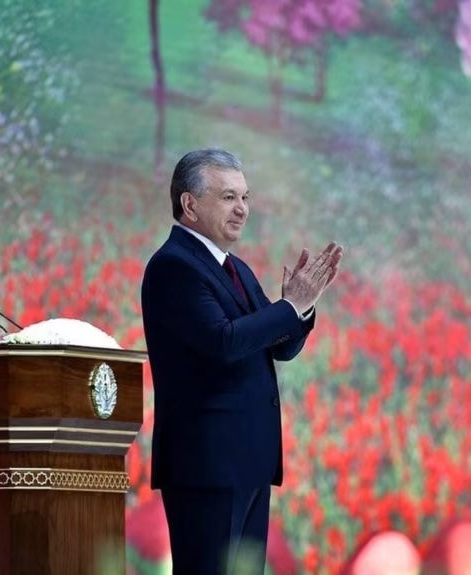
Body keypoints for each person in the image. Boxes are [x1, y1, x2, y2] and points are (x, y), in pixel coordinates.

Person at [141, 148, 343, 575]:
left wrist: (300, 311)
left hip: (247, 461)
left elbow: (279, 347)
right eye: (229, 197)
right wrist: (288, 307)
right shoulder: (174, 267)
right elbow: (224, 342)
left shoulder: (236, 269)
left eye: (246, 198)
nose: (242, 209)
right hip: (207, 464)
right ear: (189, 204)